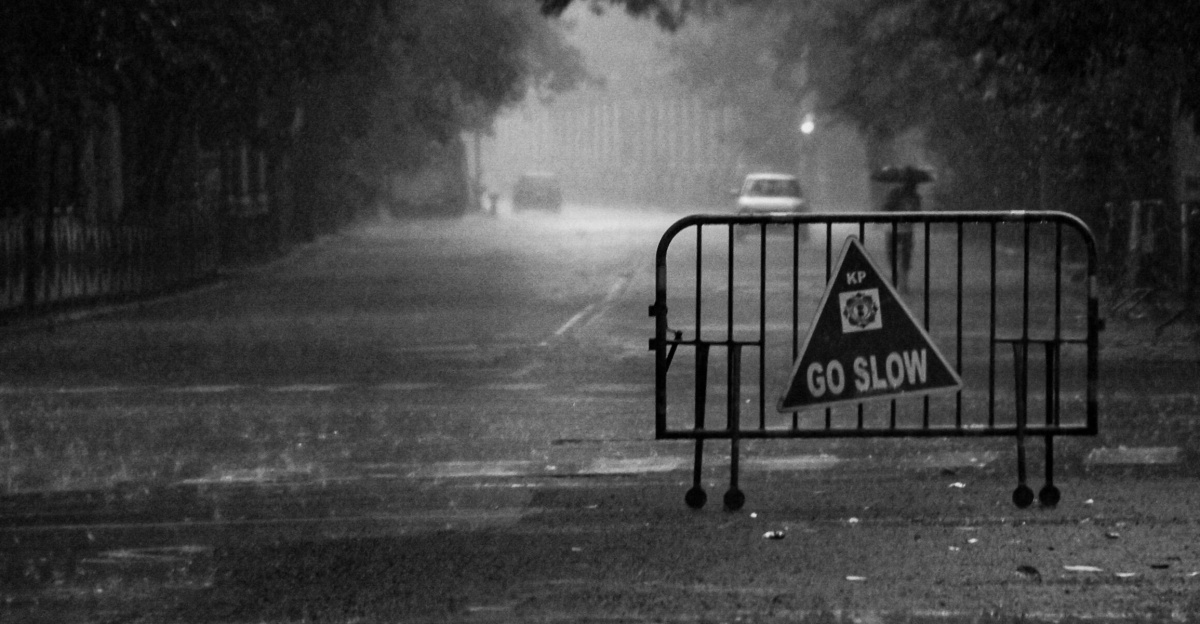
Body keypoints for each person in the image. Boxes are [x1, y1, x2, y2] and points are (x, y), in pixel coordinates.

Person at [881, 176, 921, 293]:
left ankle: (901, 282)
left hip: (896, 229)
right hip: (899, 229)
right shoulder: (912, 196)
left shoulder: (908, 195)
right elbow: (887, 208)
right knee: (902, 256)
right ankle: (902, 282)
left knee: (897, 256)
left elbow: (885, 208)